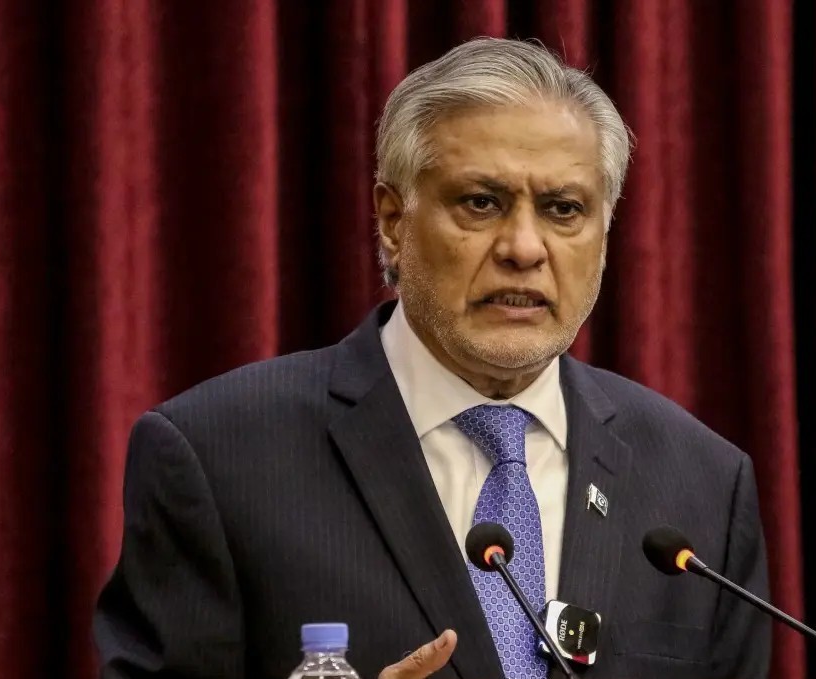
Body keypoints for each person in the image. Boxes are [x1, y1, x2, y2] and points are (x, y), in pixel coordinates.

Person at [94, 37, 770, 679]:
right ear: (393, 220)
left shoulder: (702, 485)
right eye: (482, 203)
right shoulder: (218, 456)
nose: (523, 248)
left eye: (563, 209)